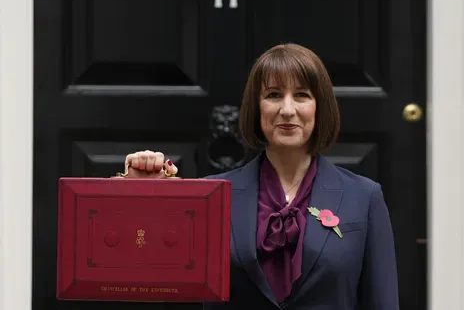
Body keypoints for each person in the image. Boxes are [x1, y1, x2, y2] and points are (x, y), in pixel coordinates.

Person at [124, 43, 399, 310]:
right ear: (256, 109)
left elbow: (382, 302)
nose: (288, 109)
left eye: (302, 95)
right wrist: (141, 197)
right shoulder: (211, 196)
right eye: (274, 95)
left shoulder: (364, 197)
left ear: (319, 107)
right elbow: (159, 280)